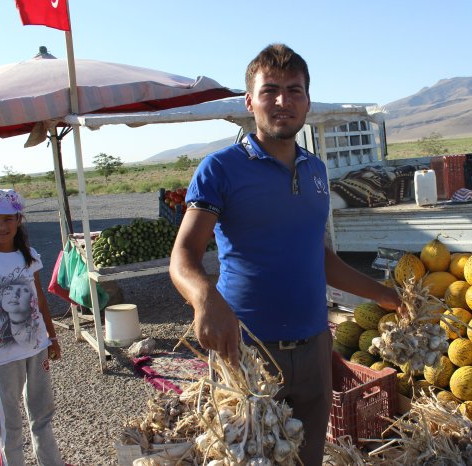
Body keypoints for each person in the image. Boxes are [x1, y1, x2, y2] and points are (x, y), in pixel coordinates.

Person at [169, 43, 401, 466]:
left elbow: (322, 258)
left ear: (307, 101)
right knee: (250, 457)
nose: (282, 101)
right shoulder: (220, 169)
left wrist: (385, 295)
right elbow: (183, 255)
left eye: (294, 90)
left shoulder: (315, 170)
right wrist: (204, 298)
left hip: (314, 347)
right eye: (270, 90)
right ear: (250, 101)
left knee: (306, 457)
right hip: (249, 351)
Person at [0, 188, 67, 466]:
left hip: (36, 347)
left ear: (19, 220)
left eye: (7, 219)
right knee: (10, 423)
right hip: (2, 355)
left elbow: (40, 298)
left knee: (42, 415)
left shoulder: (27, 255)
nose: (1, 226)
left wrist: (51, 337)